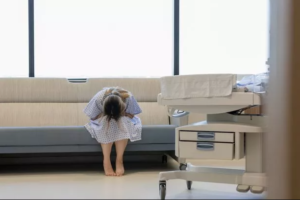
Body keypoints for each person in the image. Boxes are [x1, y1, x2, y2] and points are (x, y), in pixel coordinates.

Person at [83, 87, 142, 176]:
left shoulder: (128, 97)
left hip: (124, 119)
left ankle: (119, 160)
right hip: (103, 120)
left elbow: (132, 114)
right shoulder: (98, 98)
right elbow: (93, 117)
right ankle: (106, 161)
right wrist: (105, 115)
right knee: (108, 121)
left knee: (121, 121)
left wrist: (123, 114)